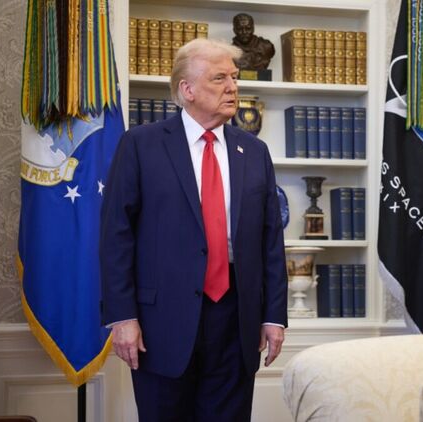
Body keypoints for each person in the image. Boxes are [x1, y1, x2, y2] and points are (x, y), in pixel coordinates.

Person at [100, 38, 287, 421]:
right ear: (187, 89)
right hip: (160, 323)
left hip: (236, 320)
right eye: (219, 78)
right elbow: (115, 237)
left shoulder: (254, 151)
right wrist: (122, 317)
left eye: (234, 78)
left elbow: (270, 240)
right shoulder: (141, 145)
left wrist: (273, 316)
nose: (232, 87)